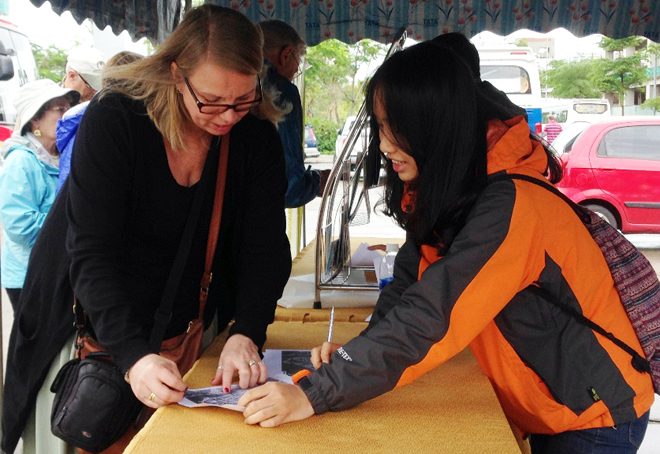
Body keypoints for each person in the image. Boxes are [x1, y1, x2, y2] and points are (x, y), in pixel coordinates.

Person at [237, 42, 654, 453]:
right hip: (552, 406)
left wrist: (315, 392)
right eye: (379, 127)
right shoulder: (455, 189)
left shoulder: (512, 207)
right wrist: (355, 354)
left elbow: (433, 312)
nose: (383, 145)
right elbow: (407, 287)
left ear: (433, 124)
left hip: (594, 418)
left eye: (394, 127)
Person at [1, 5, 291, 454]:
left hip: (188, 329)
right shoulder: (118, 119)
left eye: (243, 99)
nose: (228, 116)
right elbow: (91, 253)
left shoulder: (255, 138)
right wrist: (133, 356)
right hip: (93, 331)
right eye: (211, 101)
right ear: (176, 75)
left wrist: (245, 333)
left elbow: (265, 249)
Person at [0, 79, 80, 311]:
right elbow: (20, 225)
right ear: (35, 119)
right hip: (29, 276)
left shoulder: (61, 154)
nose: (67, 114)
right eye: (59, 109)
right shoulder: (22, 161)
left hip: (55, 270)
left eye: (68, 107)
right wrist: (72, 225)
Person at [259, 19, 330, 208]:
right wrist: (318, 181)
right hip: (259, 222)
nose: (293, 74)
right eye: (296, 68)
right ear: (286, 54)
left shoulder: (232, 82)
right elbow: (291, 189)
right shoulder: (282, 91)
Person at [57, 50, 144, 192]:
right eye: (92, 86)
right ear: (72, 75)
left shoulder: (80, 120)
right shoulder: (88, 122)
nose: (96, 93)